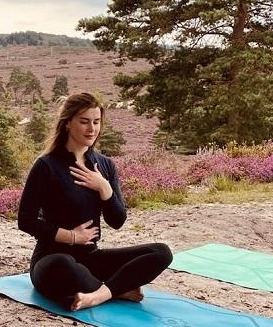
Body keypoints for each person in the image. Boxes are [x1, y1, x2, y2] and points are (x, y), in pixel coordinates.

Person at [18, 92, 173, 311]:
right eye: (84, 122)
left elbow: (117, 220)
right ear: (68, 124)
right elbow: (25, 220)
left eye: (96, 122)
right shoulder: (47, 166)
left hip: (92, 258)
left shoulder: (105, 165)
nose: (92, 129)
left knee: (161, 252)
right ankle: (116, 289)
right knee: (63, 265)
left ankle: (98, 295)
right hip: (52, 258)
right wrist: (72, 236)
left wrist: (104, 187)